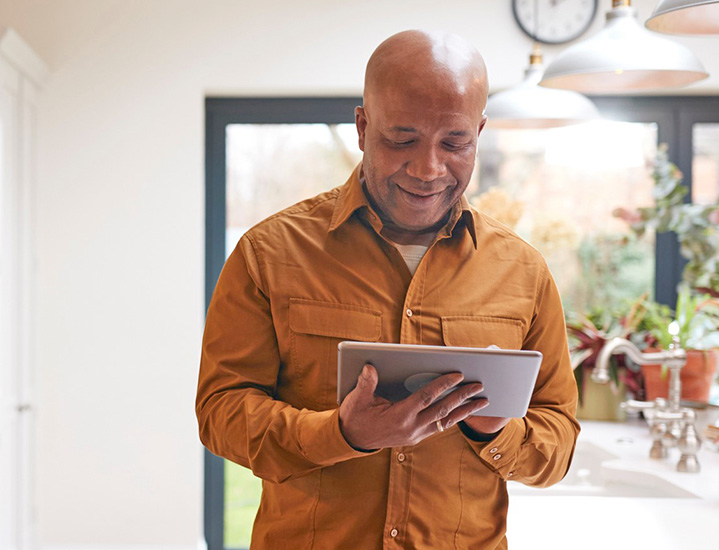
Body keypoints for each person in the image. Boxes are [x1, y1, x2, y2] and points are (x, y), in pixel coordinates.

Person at [196, 29, 579, 549]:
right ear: (361, 126)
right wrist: (343, 433)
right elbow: (221, 413)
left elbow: (557, 446)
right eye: (402, 140)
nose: (427, 169)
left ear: (479, 133)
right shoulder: (268, 254)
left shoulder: (523, 272)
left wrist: (494, 431)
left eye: (455, 142)